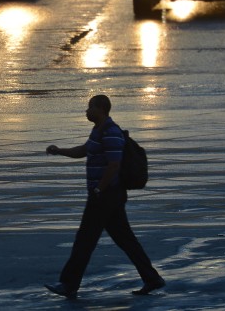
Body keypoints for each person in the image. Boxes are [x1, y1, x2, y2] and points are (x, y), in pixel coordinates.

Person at [44, 94, 165, 299]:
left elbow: (114, 165)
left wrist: (99, 189)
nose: (86, 111)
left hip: (106, 196)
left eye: (89, 107)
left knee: (85, 240)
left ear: (100, 109)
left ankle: (68, 284)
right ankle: (152, 279)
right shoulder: (98, 130)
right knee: (126, 241)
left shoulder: (111, 132)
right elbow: (84, 150)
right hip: (107, 196)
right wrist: (59, 151)